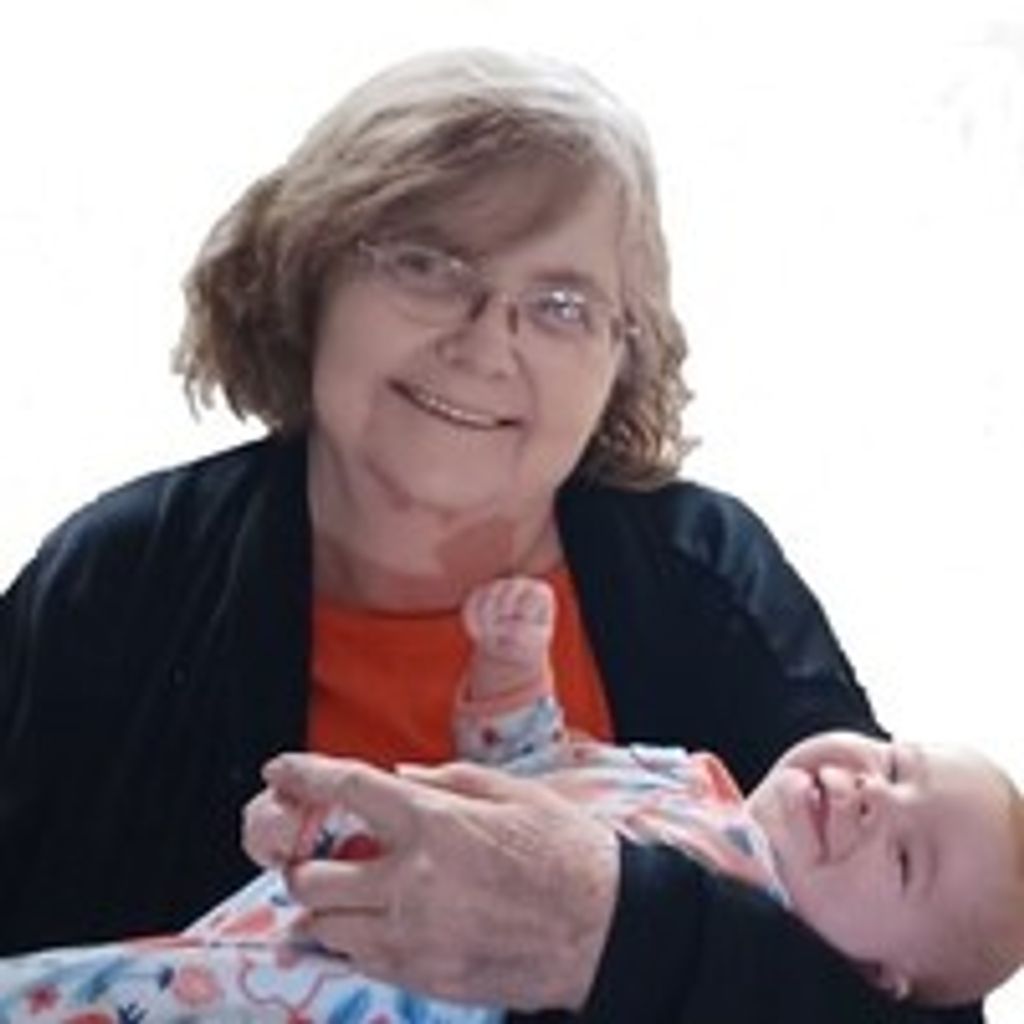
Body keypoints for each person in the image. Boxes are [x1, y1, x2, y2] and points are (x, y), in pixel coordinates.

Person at [0, 46, 989, 1023]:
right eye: (426, 263)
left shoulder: (702, 572)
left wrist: (610, 934)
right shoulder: (120, 576)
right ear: (309, 269)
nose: (484, 342)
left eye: (561, 305)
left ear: (621, 356)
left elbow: (927, 993)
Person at [2, 575, 1020, 1022]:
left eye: (907, 857)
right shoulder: (688, 777)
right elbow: (530, 767)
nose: (873, 800)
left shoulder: (758, 921)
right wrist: (509, 671)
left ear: (877, 980)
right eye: (896, 767)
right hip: (263, 942)